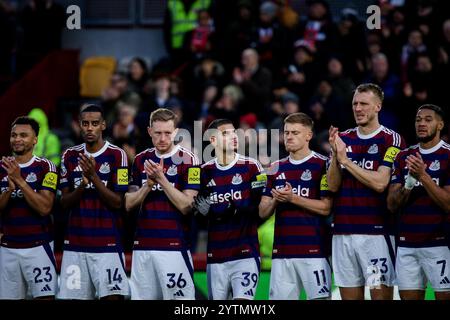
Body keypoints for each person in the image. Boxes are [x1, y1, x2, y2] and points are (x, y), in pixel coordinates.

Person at [327, 83, 406, 300]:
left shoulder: (391, 139)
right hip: (342, 232)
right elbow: (332, 186)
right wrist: (335, 156)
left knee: (380, 297)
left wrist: (345, 160)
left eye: (364, 104)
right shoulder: (344, 139)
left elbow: (381, 182)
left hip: (375, 235)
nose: (358, 108)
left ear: (378, 106)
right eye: (355, 104)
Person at [125, 108, 200, 300]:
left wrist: (162, 180)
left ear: (175, 132)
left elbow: (187, 205)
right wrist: (148, 186)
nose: (163, 138)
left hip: (174, 246)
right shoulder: (141, 160)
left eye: (168, 133)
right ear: (149, 131)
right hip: (143, 246)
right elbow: (128, 204)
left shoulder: (189, 159)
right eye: (158, 133)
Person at [58, 104, 129, 300]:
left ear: (103, 125)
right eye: (86, 123)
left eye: (95, 123)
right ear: (80, 125)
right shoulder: (69, 156)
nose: (90, 128)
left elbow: (118, 203)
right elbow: (64, 202)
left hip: (108, 245)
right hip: (75, 245)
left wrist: (94, 177)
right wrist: (83, 184)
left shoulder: (117, 155)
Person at [259, 112, 332, 300]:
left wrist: (293, 198)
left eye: (295, 133)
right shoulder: (275, 167)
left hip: (314, 251)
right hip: (282, 253)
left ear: (308, 135)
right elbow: (262, 211)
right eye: (286, 132)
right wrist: (276, 199)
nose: (289, 137)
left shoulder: (323, 165)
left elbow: (326, 208)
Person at [193, 118, 266, 300]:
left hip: (245, 253)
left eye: (234, 132)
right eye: (226, 134)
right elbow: (198, 214)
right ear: (213, 140)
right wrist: (207, 214)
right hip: (216, 255)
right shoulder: (203, 171)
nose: (234, 137)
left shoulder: (251, 167)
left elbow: (260, 209)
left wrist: (235, 210)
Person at [387, 104, 450, 300]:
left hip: (440, 244)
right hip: (407, 245)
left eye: (428, 120)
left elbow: (448, 204)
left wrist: (423, 176)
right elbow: (392, 204)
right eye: (418, 120)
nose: (421, 123)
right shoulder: (403, 156)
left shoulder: (448, 155)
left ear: (440, 125)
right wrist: (409, 183)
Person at [0, 116, 57, 299]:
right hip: (7, 248)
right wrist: (8, 191)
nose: (17, 139)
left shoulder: (46, 167)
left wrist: (19, 180)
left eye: (23, 135)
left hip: (38, 247)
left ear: (35, 140)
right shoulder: (1, 168)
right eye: (14, 135)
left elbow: (45, 207)